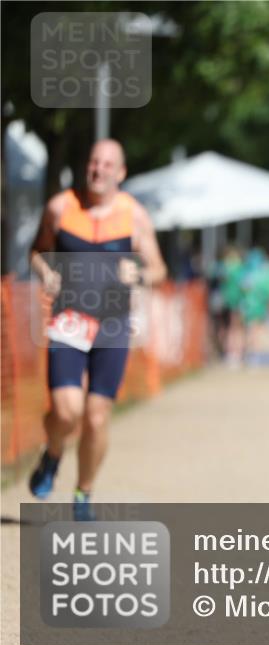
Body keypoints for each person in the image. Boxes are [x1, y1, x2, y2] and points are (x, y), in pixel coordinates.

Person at [27, 139, 166, 520]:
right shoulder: (60, 207)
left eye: (107, 164)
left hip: (113, 325)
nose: (98, 170)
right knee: (66, 411)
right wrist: (45, 271)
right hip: (69, 320)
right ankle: (53, 452)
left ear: (120, 173)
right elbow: (37, 251)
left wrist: (139, 274)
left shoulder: (134, 216)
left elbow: (159, 269)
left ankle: (83, 492)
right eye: (93, 162)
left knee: (97, 416)